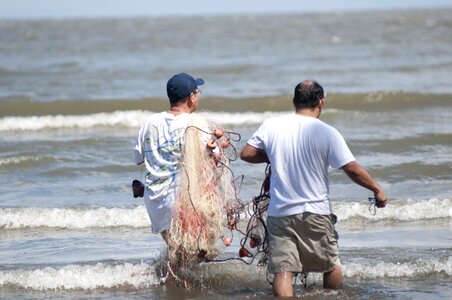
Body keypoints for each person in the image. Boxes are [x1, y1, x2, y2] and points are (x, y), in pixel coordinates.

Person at [240, 80, 388, 297]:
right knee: (330, 264)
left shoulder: (271, 125)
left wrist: (271, 156)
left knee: (284, 269)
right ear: (321, 102)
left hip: (280, 213)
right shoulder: (327, 132)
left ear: (294, 101)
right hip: (315, 212)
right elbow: (351, 168)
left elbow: (247, 153)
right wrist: (377, 189)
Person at [133, 72, 204, 244]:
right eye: (197, 92)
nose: (199, 95)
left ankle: (165, 271)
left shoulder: (150, 121)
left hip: (154, 202)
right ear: (191, 97)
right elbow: (212, 156)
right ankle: (171, 272)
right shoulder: (195, 122)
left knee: (175, 250)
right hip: (181, 198)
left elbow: (138, 158)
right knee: (190, 252)